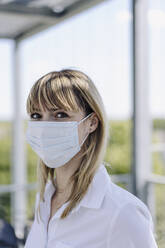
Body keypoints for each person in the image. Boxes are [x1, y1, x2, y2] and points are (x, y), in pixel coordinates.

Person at [24, 69, 158, 248]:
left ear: (92, 123)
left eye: (60, 114)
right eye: (36, 116)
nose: (45, 126)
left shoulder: (123, 212)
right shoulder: (44, 199)